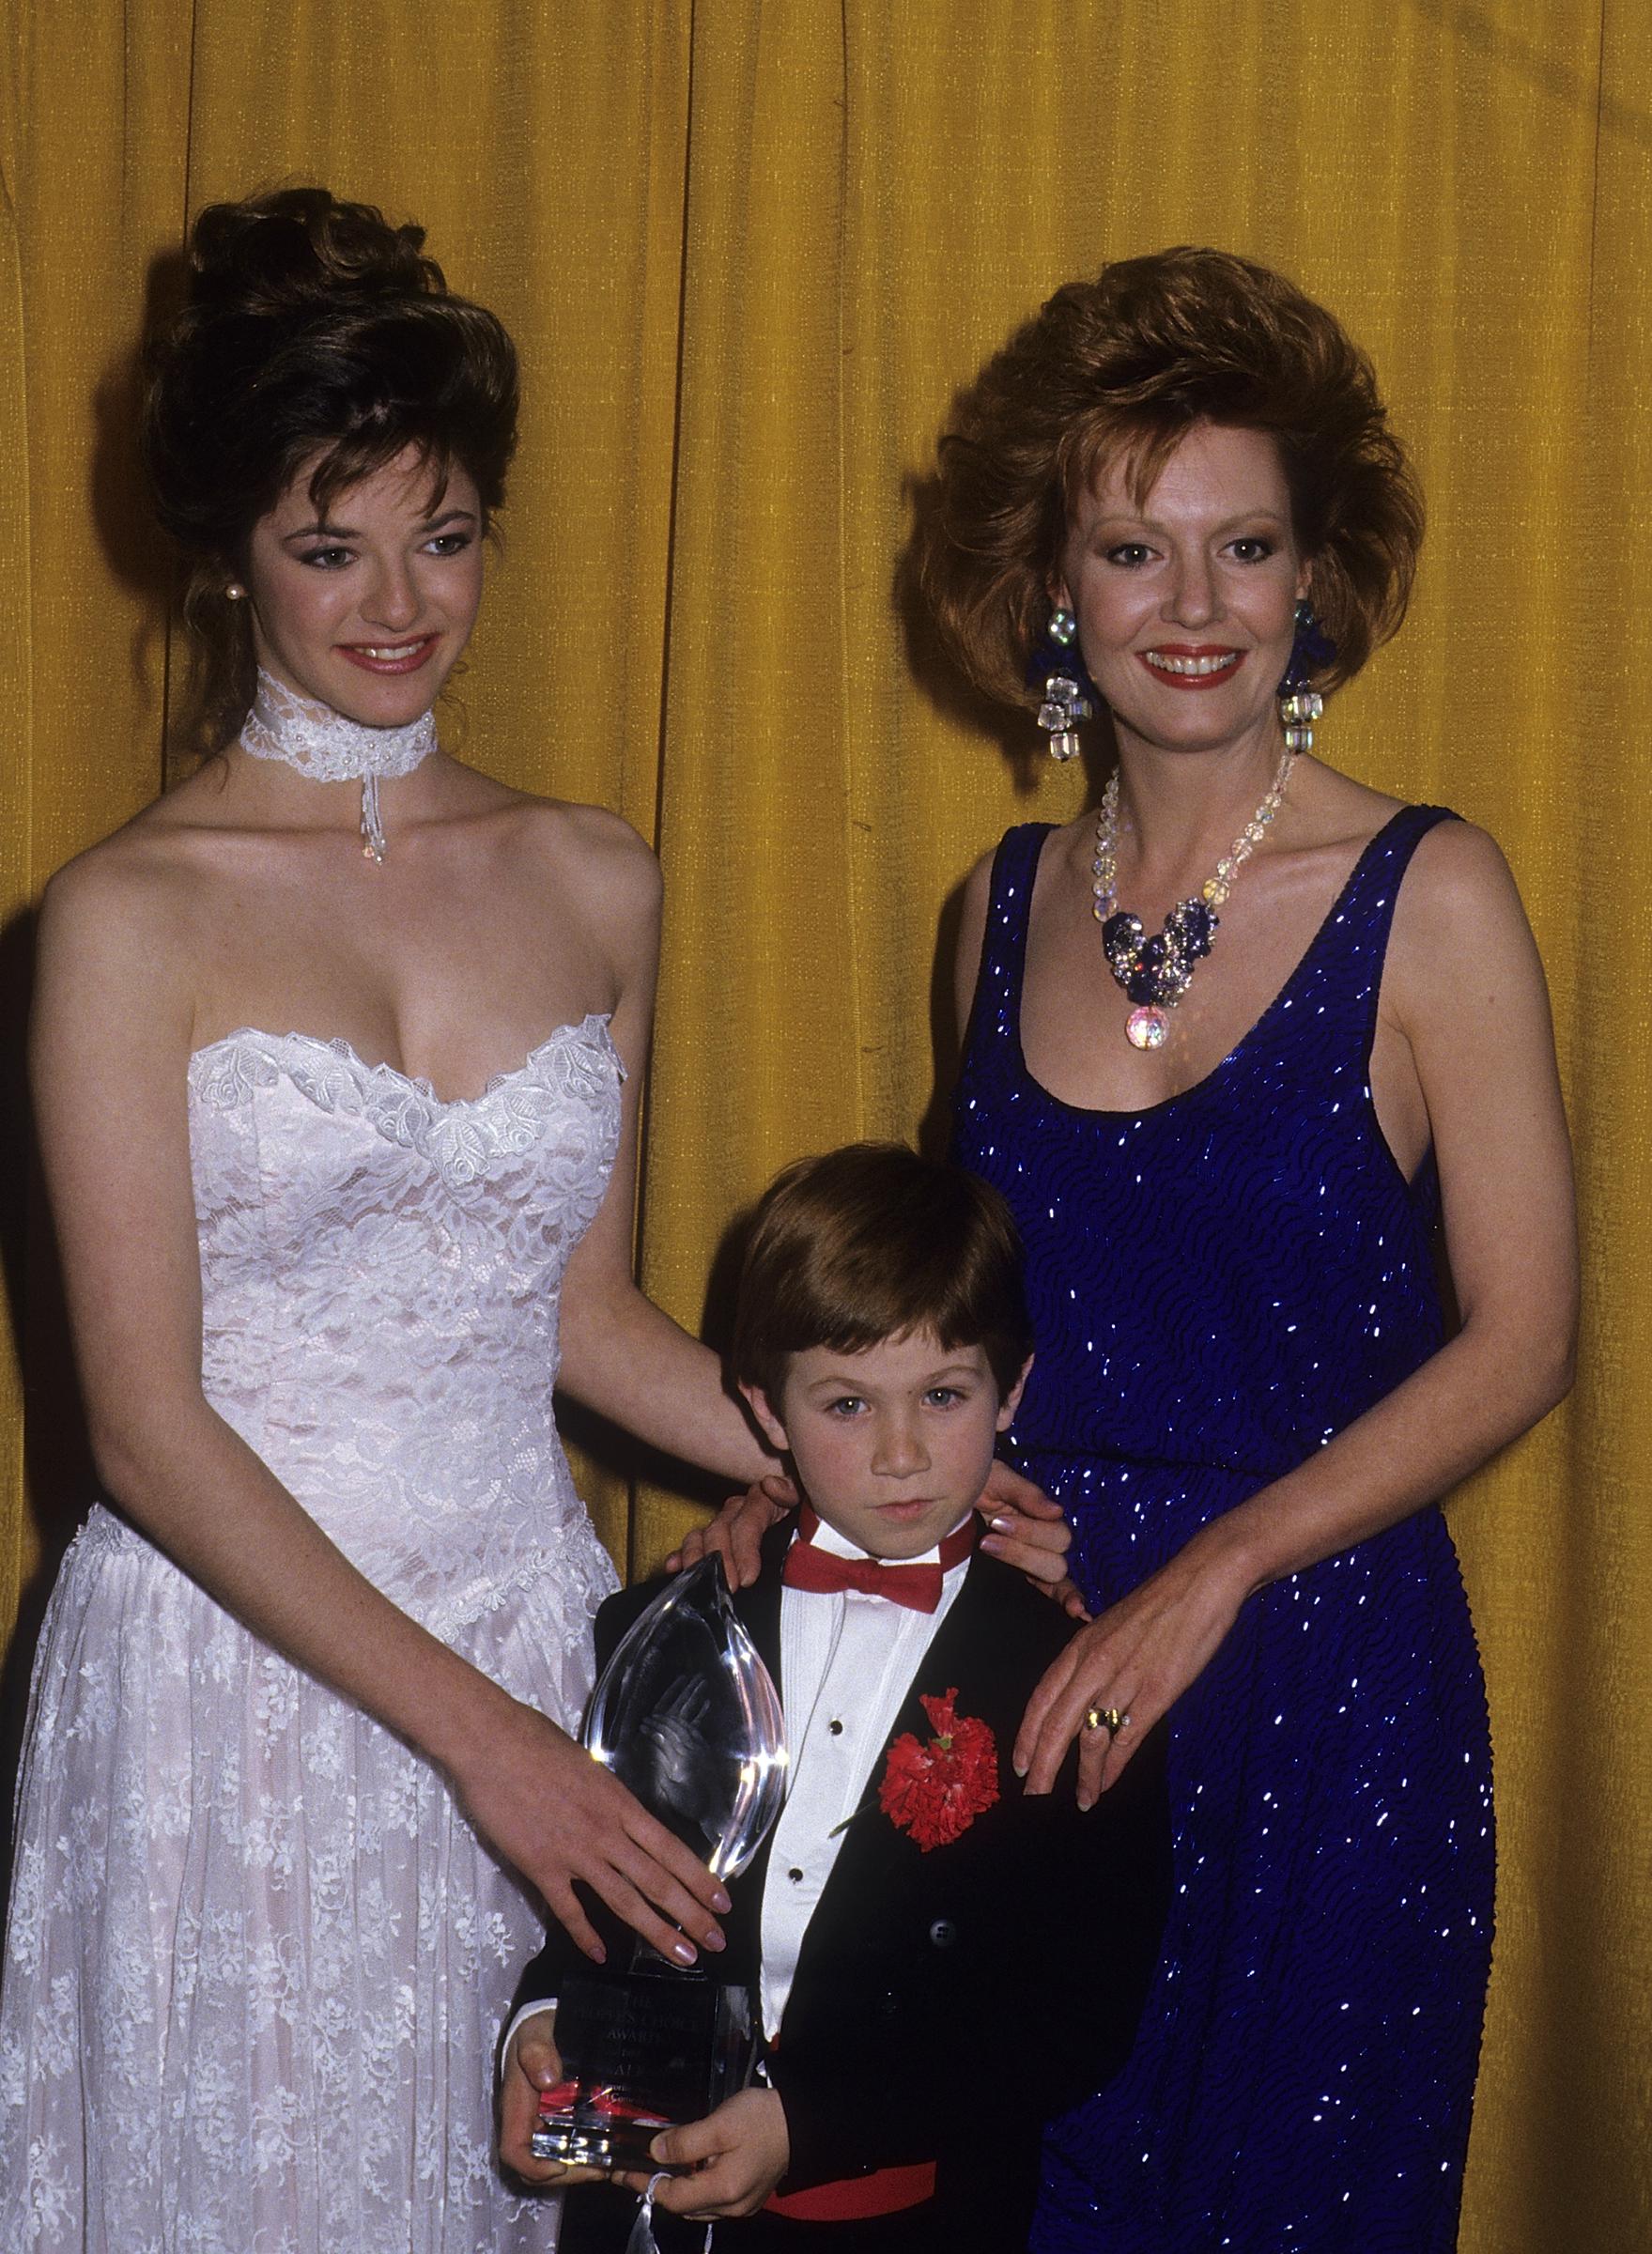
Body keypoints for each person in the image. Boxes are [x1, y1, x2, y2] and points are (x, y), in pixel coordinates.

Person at [0, 187, 786, 2254]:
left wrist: (917, 1477)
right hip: (231, 1680)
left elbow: (581, 1320)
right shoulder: (124, 920)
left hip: (527, 1624)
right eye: (325, 545)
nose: (394, 603)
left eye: (441, 536)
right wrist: (494, 1750)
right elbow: (145, 1431)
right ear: (229, 551)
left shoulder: (592, 872)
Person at [918, 248, 1579, 2249]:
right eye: (1133, 550)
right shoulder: (989, 902)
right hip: (1029, 1697)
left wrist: (1209, 1569)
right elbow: (947, 1321)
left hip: (1323, 1695)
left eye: (1244, 547)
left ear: (1316, 576)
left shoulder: (1430, 891)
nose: (1192, 609)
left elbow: (1526, 1335)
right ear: (1053, 586)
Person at [499, 1144, 1170, 2253]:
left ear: (1013, 1390)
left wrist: (810, 2125)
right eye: (848, 1403)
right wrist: (544, 2024)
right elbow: (607, 1902)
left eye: (943, 1396)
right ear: (767, 1411)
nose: (901, 1454)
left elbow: (1076, 2018)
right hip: (643, 2224)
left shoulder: (1078, 1680)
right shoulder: (663, 1633)